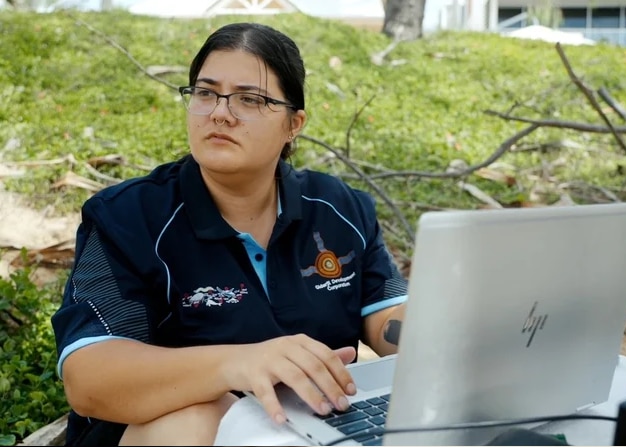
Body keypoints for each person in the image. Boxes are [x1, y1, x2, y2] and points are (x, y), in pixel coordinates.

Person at [51, 21, 408, 446]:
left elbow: (387, 315)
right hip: (168, 435)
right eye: (205, 93)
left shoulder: (339, 210)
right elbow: (89, 377)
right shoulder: (127, 218)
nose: (220, 112)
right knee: (207, 415)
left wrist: (450, 334)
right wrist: (238, 364)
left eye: (249, 99)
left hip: (309, 428)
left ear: (294, 124)